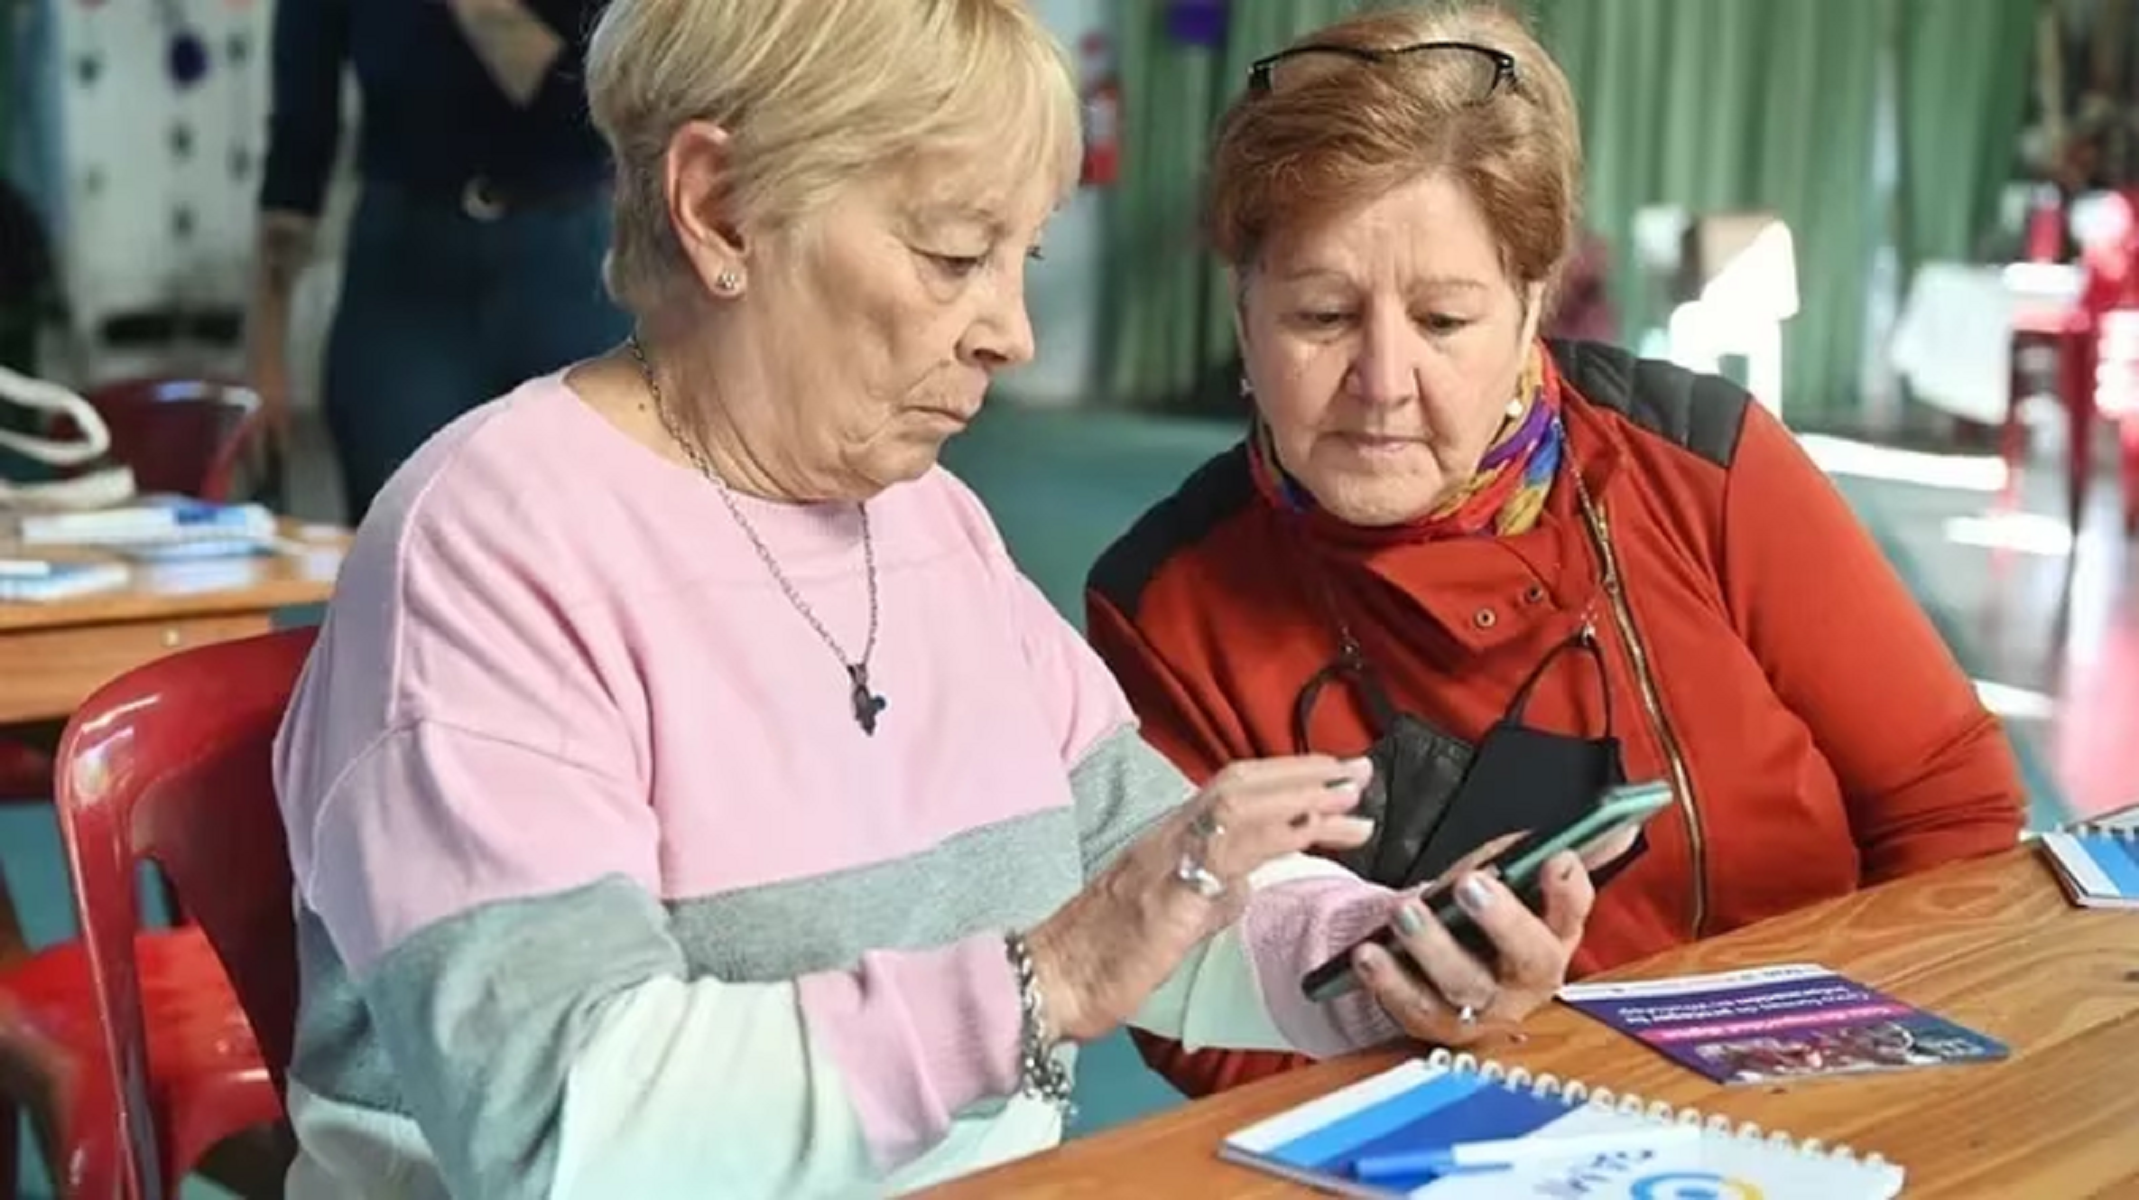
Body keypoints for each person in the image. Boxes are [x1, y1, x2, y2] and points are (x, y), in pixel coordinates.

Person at [269, 3, 1618, 1195]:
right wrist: (1037, 988)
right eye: (950, 254)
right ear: (720, 209)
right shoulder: (494, 546)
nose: (1008, 334)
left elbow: (1139, 880)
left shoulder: (926, 524)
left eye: (1016, 261)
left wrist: (1377, 947)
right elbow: (560, 1127)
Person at [1084, 2, 2027, 1100]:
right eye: (1323, 315)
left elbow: (1948, 811)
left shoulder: (1700, 464)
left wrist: (1868, 1074)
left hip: (1826, 1098)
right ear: (1242, 313)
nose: (1384, 381)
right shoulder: (1164, 607)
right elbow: (1189, 1012)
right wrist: (1418, 1038)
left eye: (1443, 320)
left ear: (1533, 305)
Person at [249, 0, 630, 522]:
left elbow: (584, 96)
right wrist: (267, 349)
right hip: (407, 272)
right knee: (403, 531)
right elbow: (299, 138)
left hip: (570, 258)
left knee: (594, 529)